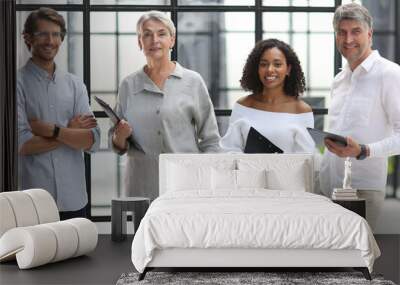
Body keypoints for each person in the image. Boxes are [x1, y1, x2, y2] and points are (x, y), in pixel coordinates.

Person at [110, 11, 221, 200]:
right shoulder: (128, 85)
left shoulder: (193, 82)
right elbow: (118, 146)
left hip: (186, 186)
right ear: (139, 42)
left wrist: (204, 180)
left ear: (172, 40)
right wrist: (119, 136)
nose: (155, 40)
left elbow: (211, 140)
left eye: (161, 33)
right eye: (147, 34)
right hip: (141, 187)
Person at [319, 3, 400, 230]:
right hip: (327, 187)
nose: (348, 39)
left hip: (363, 189)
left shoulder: (389, 74)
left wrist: (363, 150)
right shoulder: (339, 80)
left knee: (358, 262)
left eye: (356, 31)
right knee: (327, 263)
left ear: (369, 34)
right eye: (342, 32)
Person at [17, 7, 100, 220]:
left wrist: (51, 130)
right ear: (28, 38)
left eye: (55, 34)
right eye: (42, 34)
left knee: (78, 255)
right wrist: (71, 132)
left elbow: (93, 140)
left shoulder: (74, 84)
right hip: (33, 202)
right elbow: (22, 145)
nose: (50, 40)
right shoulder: (15, 84)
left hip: (75, 200)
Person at [220, 39, 315, 153]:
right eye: (264, 64)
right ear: (257, 69)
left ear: (288, 69)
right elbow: (229, 149)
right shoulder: (243, 105)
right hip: (246, 170)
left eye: (277, 64)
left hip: (287, 171)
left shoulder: (301, 110)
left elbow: (306, 157)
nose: (270, 70)